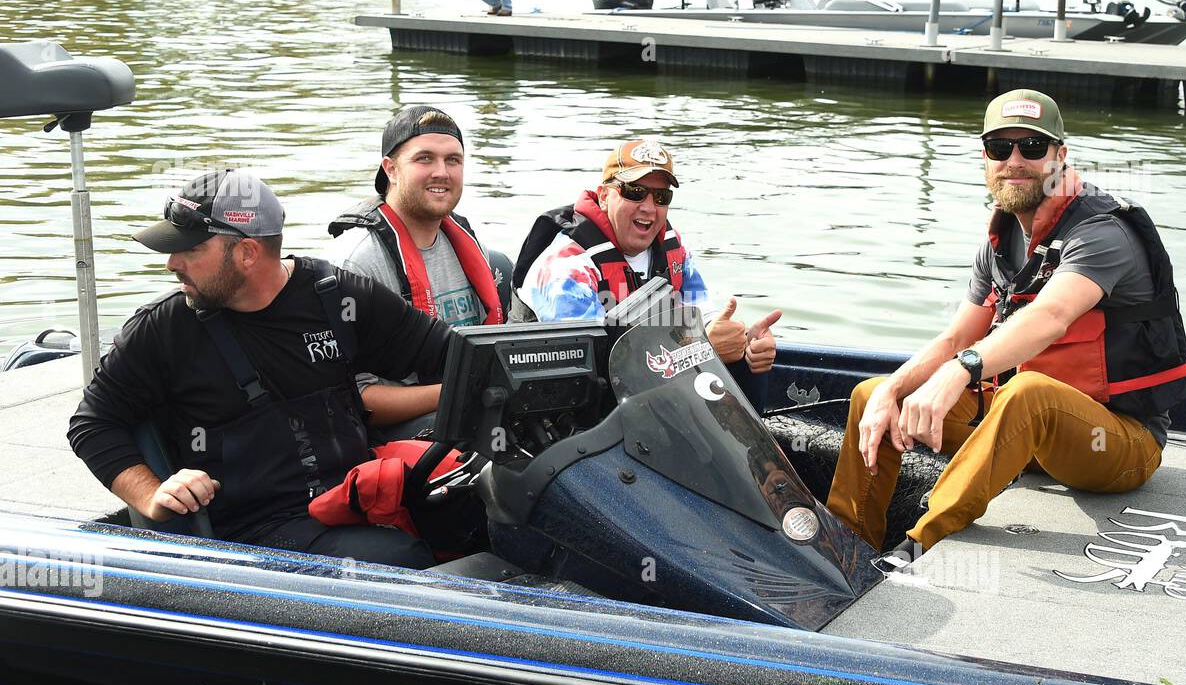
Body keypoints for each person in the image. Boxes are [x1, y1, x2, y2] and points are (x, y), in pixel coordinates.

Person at [827, 89, 1186, 555]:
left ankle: (917, 547)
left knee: (1028, 392)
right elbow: (959, 335)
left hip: (1118, 444)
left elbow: (1052, 315)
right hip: (1025, 438)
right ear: (985, 158)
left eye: (1032, 148)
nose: (1014, 160)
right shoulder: (1001, 240)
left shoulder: (1102, 232)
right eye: (1000, 148)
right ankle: (845, 549)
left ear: (1060, 157)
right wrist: (892, 389)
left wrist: (960, 370)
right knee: (874, 394)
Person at [68, 169, 455, 569]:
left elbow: (454, 358)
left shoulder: (339, 298)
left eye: (190, 250)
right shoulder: (162, 329)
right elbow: (93, 424)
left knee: (476, 515)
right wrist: (152, 494)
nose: (171, 263)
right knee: (403, 561)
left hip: (356, 498)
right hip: (254, 536)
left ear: (247, 253)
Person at [512, 138, 781, 382]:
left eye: (661, 197)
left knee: (748, 370)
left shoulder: (674, 253)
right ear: (605, 196)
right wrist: (703, 348)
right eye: (634, 191)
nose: (649, 208)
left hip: (647, 387)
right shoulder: (566, 267)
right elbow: (592, 364)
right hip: (573, 404)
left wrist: (744, 344)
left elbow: (701, 316)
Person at [328, 106, 502, 440]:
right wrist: (464, 387)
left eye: (453, 160)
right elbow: (352, 400)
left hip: (470, 406)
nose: (442, 172)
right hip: (396, 436)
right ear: (390, 169)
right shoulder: (354, 263)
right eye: (425, 159)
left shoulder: (465, 240)